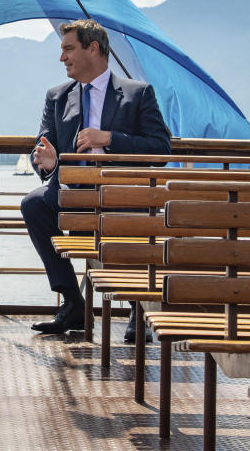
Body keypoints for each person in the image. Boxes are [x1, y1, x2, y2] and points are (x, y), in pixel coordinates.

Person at [21, 19, 171, 335]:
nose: (62, 57)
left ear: (93, 48)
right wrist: (47, 163)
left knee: (128, 217)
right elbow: (43, 145)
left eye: (68, 48)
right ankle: (72, 301)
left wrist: (110, 138)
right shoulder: (57, 96)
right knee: (33, 204)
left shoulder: (138, 93)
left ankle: (138, 308)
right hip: (75, 195)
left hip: (124, 197)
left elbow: (160, 148)